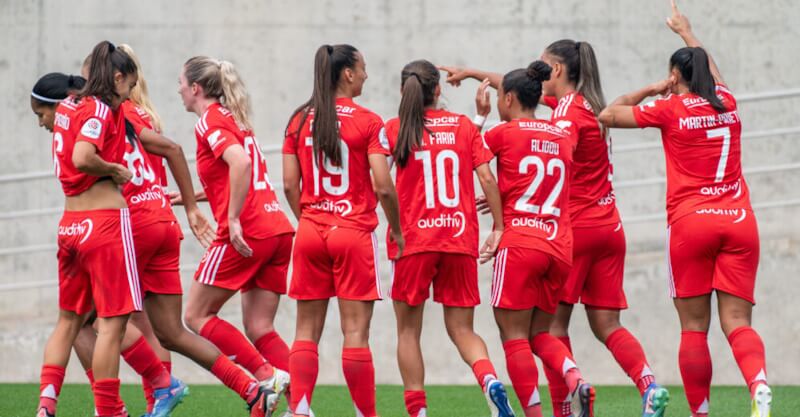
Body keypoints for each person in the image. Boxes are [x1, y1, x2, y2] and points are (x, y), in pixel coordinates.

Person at [598, 2, 771, 417]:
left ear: (676, 76)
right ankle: (760, 384)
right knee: (738, 323)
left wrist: (655, 88)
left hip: (692, 223)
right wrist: (687, 32)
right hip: (740, 222)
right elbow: (712, 75)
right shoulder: (727, 102)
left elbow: (607, 113)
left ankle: (700, 412)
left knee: (694, 327)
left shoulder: (669, 109)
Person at [386, 59, 514, 417]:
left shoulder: (394, 128)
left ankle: (418, 411)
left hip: (413, 241)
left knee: (408, 331)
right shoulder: (462, 127)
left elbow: (380, 182)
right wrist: (499, 227)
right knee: (462, 329)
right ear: (438, 90)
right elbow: (487, 179)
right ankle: (489, 379)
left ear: (402, 91)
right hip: (458, 238)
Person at [283, 44, 403, 417]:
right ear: (347, 74)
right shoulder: (368, 121)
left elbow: (289, 185)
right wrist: (397, 229)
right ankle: (366, 414)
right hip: (352, 232)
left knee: (306, 331)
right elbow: (383, 185)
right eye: (363, 68)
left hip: (310, 230)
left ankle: (299, 410)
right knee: (355, 333)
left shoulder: (299, 119)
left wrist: (308, 218)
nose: (366, 75)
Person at [179, 55, 294, 417]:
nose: (179, 90)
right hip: (278, 228)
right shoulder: (236, 119)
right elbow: (235, 172)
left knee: (195, 316)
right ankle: (301, 408)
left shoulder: (209, 120)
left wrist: (230, 219)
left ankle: (265, 377)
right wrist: (190, 196)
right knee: (260, 326)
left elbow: (240, 165)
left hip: (248, 232)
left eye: (181, 83)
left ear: (195, 88)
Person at [481, 61, 595, 417]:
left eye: (499, 98)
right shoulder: (562, 134)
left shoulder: (502, 132)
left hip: (519, 242)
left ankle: (533, 414)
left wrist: (481, 116)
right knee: (541, 334)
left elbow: (468, 156)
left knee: (513, 336)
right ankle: (574, 377)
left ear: (509, 98)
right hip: (559, 246)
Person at [37, 40, 138, 417]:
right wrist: (114, 170)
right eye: (129, 84)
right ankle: (109, 411)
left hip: (70, 227)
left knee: (68, 321)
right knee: (112, 325)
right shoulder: (98, 109)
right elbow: (83, 156)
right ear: (116, 77)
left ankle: (46, 405)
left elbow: (67, 149)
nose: (130, 92)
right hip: (104, 225)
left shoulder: (67, 108)